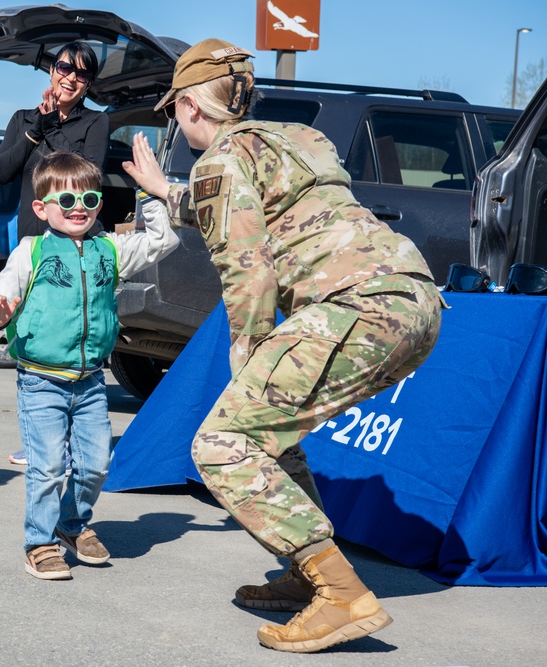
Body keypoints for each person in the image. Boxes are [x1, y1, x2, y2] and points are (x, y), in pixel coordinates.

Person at [122, 39, 444, 652]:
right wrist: (168, 191)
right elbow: (238, 204)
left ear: (190, 105)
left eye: (173, 111)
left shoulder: (217, 161)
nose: (174, 121)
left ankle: (340, 593)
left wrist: (245, 352)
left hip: (354, 306)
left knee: (222, 444)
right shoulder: (299, 139)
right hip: (410, 301)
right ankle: (305, 572)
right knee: (273, 432)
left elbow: (246, 267)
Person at [0, 150, 179, 580]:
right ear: (41, 208)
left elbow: (163, 241)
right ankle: (39, 542)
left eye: (89, 201)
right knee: (49, 466)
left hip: (90, 380)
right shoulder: (30, 251)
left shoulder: (109, 249)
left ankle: (71, 524)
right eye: (67, 202)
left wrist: (151, 194)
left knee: (95, 465)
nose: (79, 210)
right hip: (40, 380)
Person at [0, 41, 110, 467]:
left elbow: (85, 172)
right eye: (64, 68)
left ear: (89, 83)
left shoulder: (97, 121)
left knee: (71, 334)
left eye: (82, 74)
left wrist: (50, 128)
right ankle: (39, 437)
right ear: (51, 70)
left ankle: (72, 437)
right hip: (33, 242)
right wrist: (35, 127)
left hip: (78, 245)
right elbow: (2, 171)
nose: (71, 78)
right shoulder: (24, 120)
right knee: (33, 337)